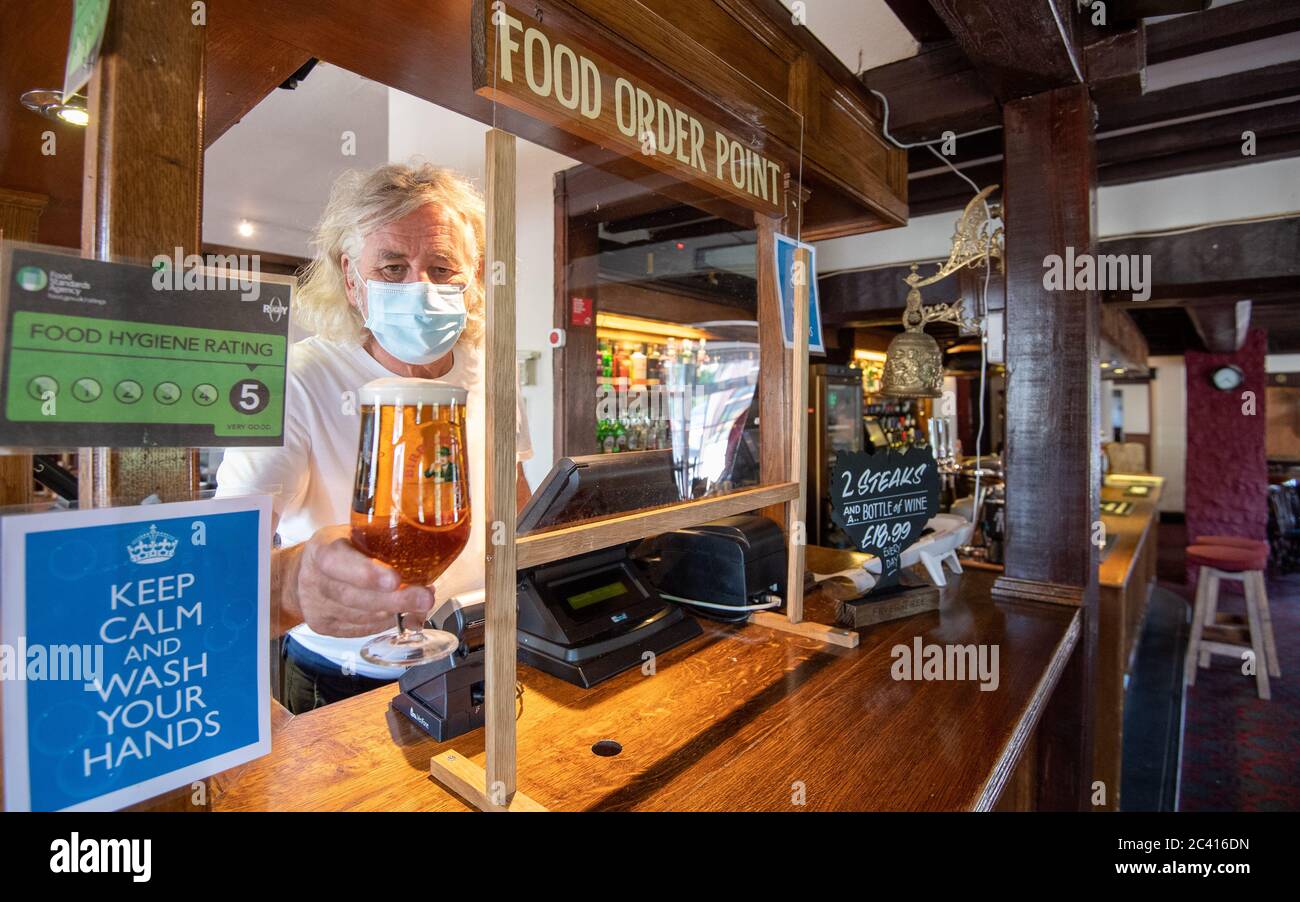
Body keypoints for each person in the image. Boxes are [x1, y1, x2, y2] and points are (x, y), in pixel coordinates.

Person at [216, 162, 533, 713]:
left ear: (475, 277)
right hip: (340, 676)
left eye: (441, 267)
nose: (420, 287)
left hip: (473, 658)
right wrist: (293, 584)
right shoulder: (295, 379)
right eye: (391, 267)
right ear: (351, 279)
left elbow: (519, 508)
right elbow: (221, 557)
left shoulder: (492, 373)